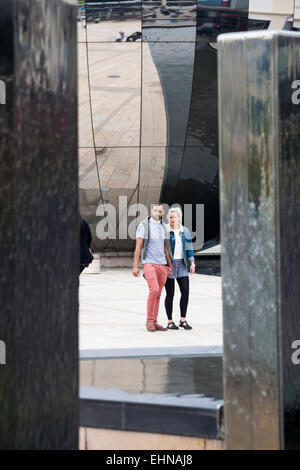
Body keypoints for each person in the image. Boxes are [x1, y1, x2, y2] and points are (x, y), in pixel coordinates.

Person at [133, 203, 172, 332]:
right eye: (155, 210)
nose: (157, 213)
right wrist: (135, 266)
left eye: (160, 211)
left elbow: (165, 247)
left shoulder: (164, 227)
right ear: (151, 211)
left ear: (162, 212)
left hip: (162, 265)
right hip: (149, 262)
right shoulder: (144, 225)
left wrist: (169, 265)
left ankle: (155, 322)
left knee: (159, 293)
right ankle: (149, 320)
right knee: (154, 290)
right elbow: (138, 247)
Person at [164, 207, 195, 330]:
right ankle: (170, 321)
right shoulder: (165, 230)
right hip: (169, 264)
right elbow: (162, 249)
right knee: (170, 293)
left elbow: (189, 248)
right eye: (170, 217)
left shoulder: (185, 231)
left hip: (182, 264)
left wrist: (192, 262)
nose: (172, 219)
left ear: (179, 218)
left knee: (185, 292)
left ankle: (183, 320)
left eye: (174, 217)